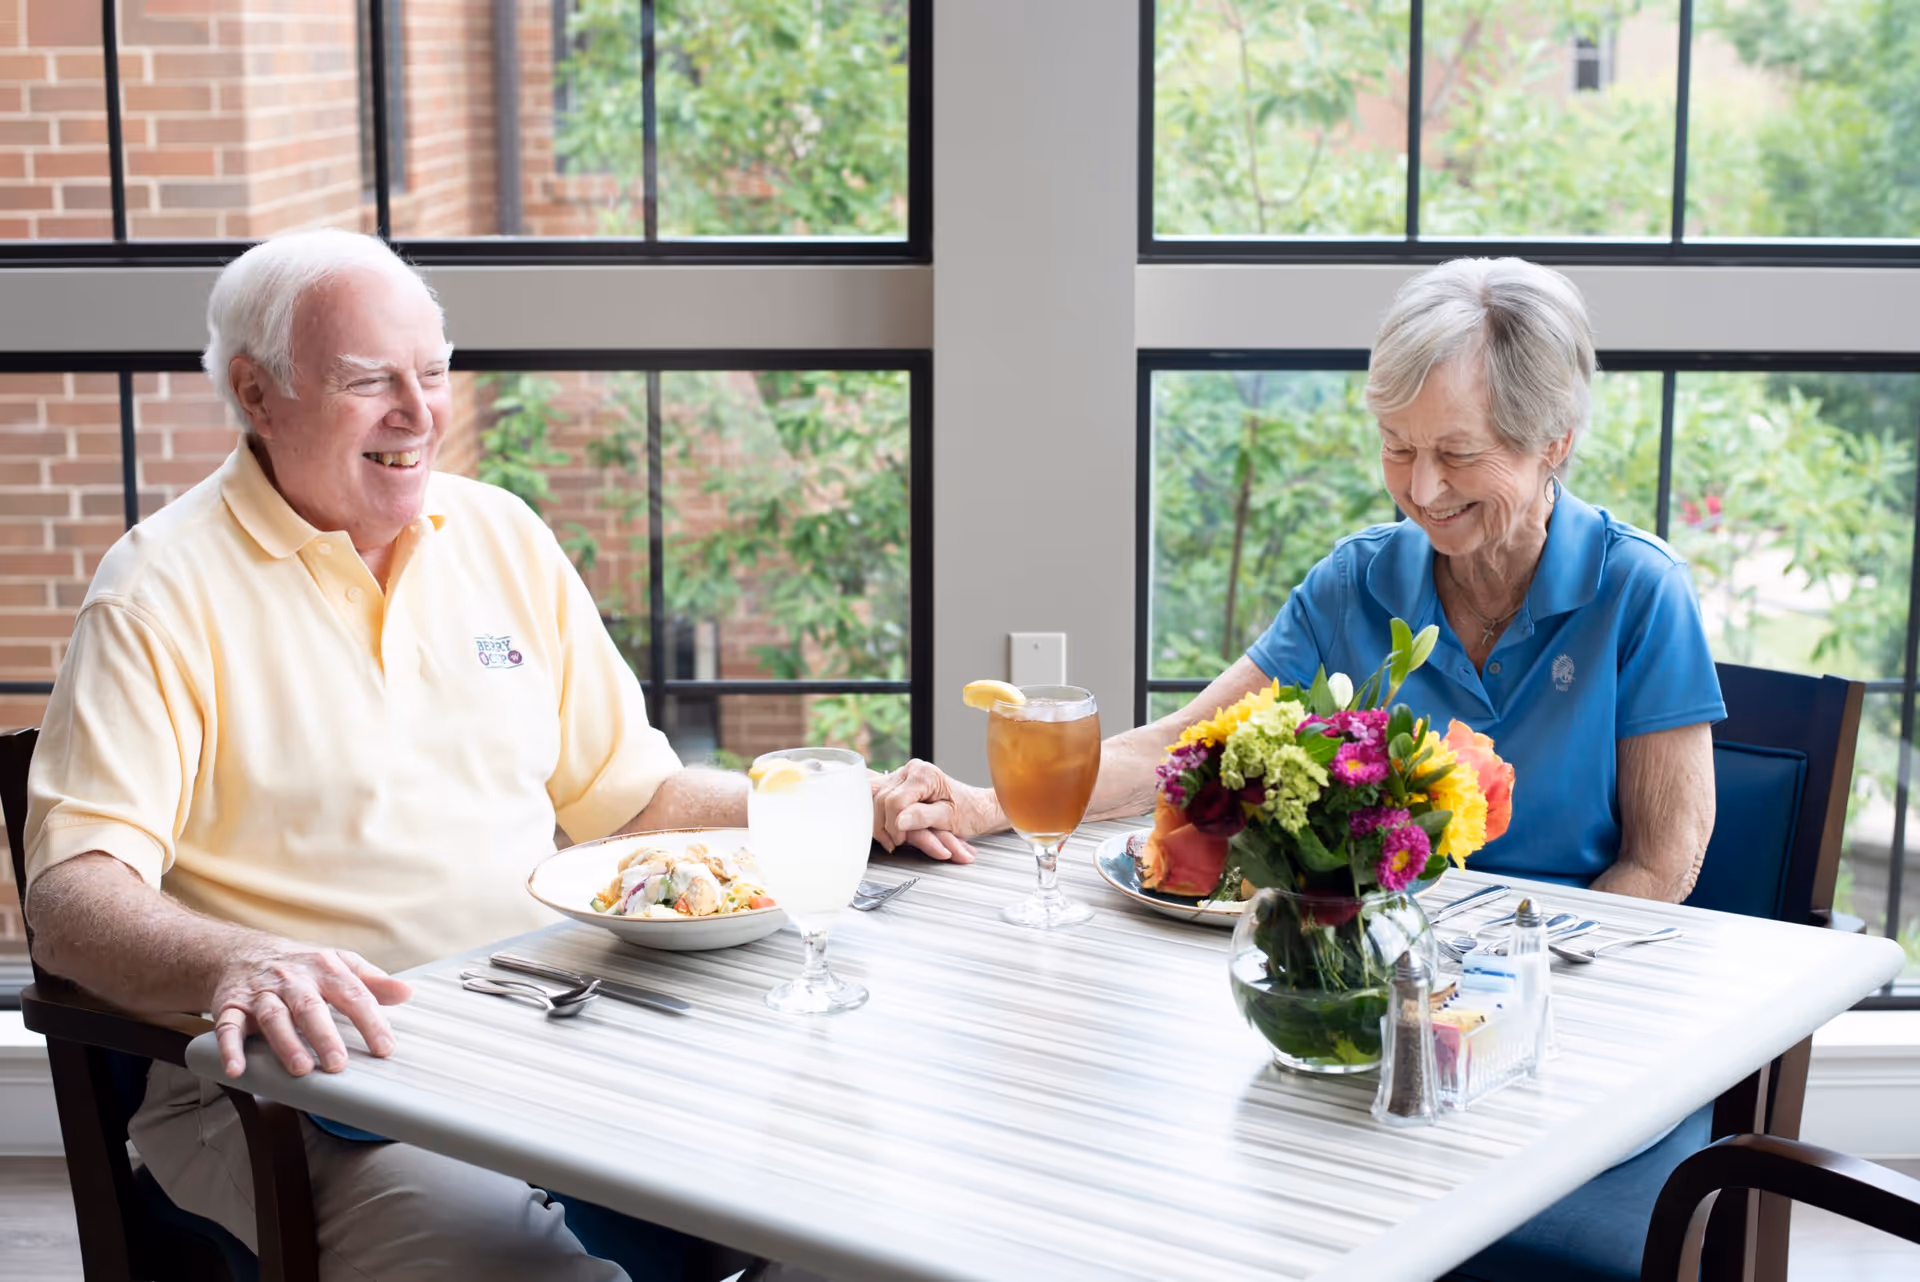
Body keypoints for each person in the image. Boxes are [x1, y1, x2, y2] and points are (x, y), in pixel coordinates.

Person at [21, 228, 962, 1281]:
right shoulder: (158, 590)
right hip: (305, 1081)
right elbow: (72, 900)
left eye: (431, 372)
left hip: (541, 1025)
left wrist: (826, 809)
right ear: (257, 392)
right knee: (529, 1269)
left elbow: (637, 799)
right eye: (371, 380)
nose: (419, 415)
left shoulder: (500, 533)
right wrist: (239, 958)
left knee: (841, 1184)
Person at [896, 257, 1720, 900]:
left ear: (1555, 442)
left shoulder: (1640, 593)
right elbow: (1183, 750)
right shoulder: (1355, 583)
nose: (1423, 492)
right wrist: (985, 803)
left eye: (1459, 454)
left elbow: (1662, 867)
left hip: (1570, 996)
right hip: (1375, 989)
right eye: (1398, 446)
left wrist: (1524, 986)